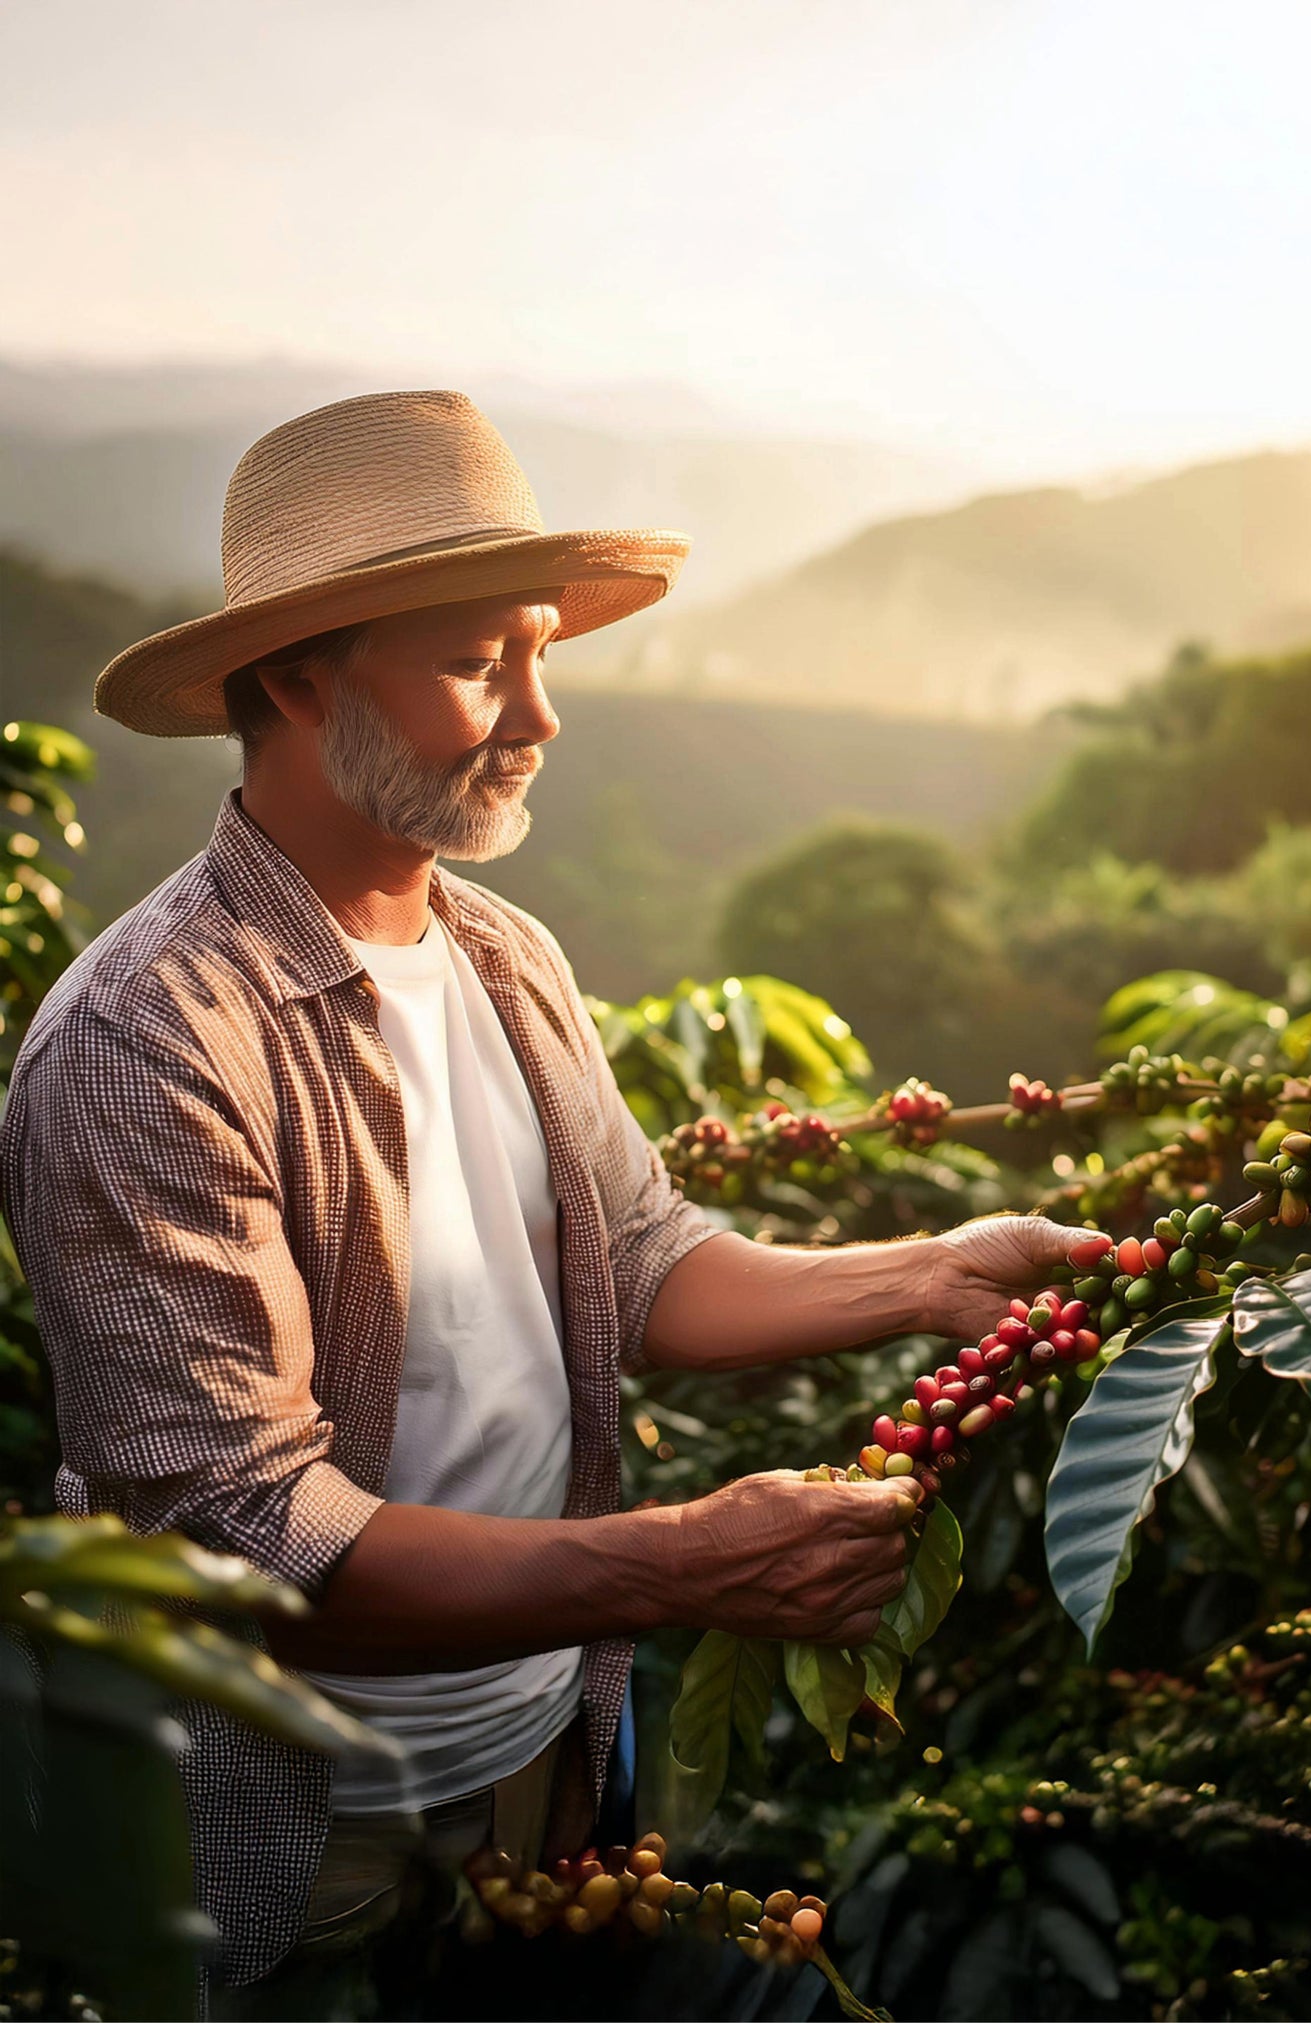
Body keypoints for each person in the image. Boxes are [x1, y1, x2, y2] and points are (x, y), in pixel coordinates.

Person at [0, 390, 1077, 2008]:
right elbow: (251, 1547)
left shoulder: (505, 958)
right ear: (299, 678)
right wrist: (679, 1563)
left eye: (541, 651)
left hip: (550, 1748)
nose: (539, 712)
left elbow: (640, 1266)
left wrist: (929, 1272)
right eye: (476, 662)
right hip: (304, 1836)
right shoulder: (147, 1044)